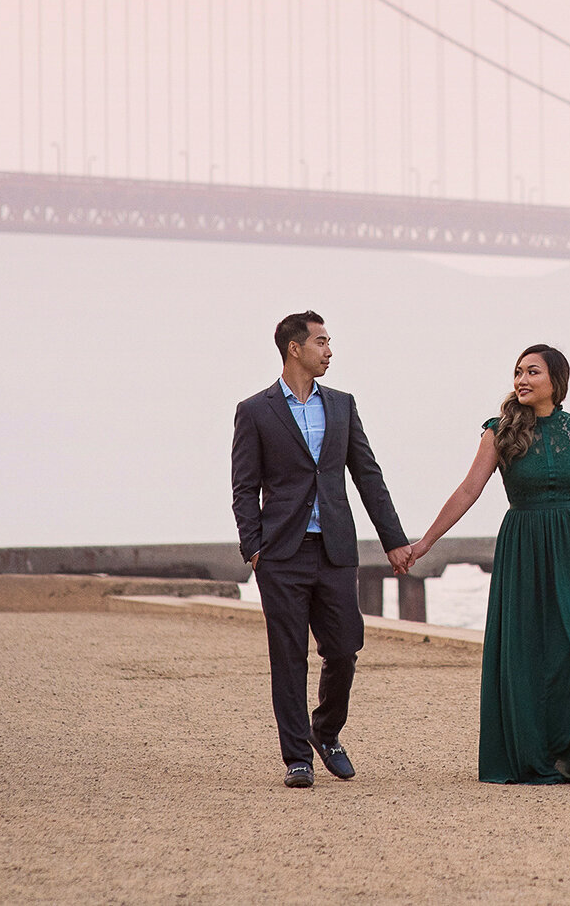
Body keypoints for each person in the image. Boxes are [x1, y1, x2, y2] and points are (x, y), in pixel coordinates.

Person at [399, 343, 570, 783]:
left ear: (556, 381)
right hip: (524, 549)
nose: (522, 380)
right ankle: (534, 756)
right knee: (530, 652)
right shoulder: (500, 431)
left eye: (532, 372)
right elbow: (469, 490)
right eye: (517, 373)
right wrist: (426, 542)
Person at [230, 310, 415, 788]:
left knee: (344, 649)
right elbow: (244, 487)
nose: (329, 351)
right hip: (282, 554)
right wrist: (254, 549)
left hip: (335, 548)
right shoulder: (254, 410)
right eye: (322, 342)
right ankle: (297, 758)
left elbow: (367, 476)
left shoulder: (343, 404)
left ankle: (325, 731)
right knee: (288, 655)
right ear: (296, 348)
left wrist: (394, 541)